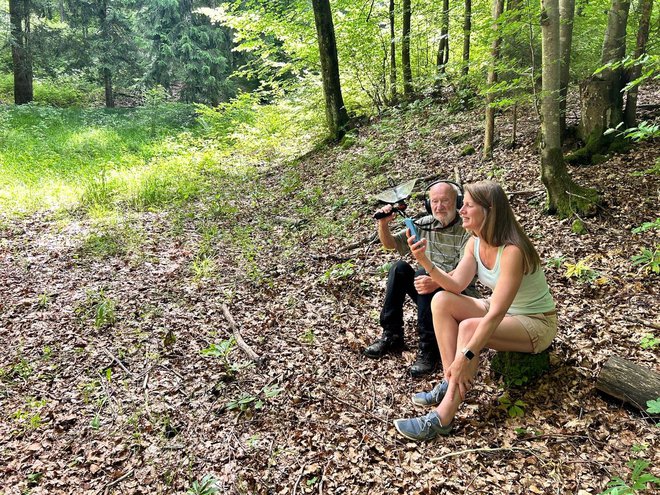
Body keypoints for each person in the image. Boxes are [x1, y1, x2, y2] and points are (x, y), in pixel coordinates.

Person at [393, 180, 557, 441]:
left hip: (535, 322)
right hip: (505, 312)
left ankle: (442, 417)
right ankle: (451, 383)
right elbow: (456, 285)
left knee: (470, 327)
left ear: (489, 210)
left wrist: (465, 356)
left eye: (468, 206)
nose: (461, 211)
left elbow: (494, 315)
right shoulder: (475, 242)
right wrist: (423, 261)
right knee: (442, 300)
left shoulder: (513, 251)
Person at [364, 181, 472, 377]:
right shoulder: (424, 224)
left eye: (445, 201)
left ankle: (430, 348)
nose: (439, 207)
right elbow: (391, 244)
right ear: (428, 204)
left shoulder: (466, 230)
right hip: (430, 289)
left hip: (459, 295)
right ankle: (392, 334)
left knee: (423, 274)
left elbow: (465, 273)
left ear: (457, 202)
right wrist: (383, 224)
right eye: (434, 201)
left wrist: (438, 281)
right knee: (399, 269)